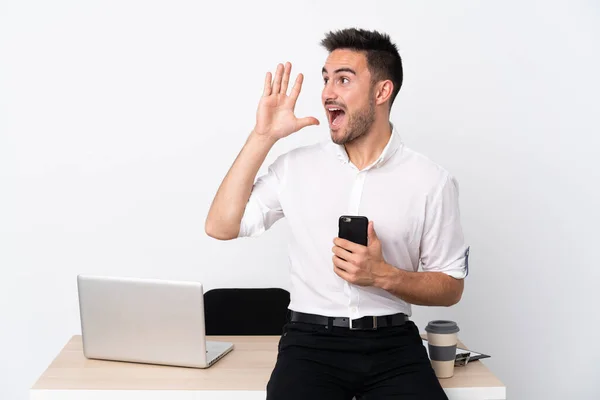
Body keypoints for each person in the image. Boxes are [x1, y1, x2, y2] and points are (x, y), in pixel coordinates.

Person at [205, 28, 469, 400]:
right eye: (326, 79)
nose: (328, 92)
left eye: (343, 79)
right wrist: (263, 135)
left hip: (393, 346)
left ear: (382, 91)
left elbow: (451, 286)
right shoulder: (294, 167)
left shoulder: (431, 181)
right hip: (309, 346)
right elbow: (220, 226)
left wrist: (384, 276)